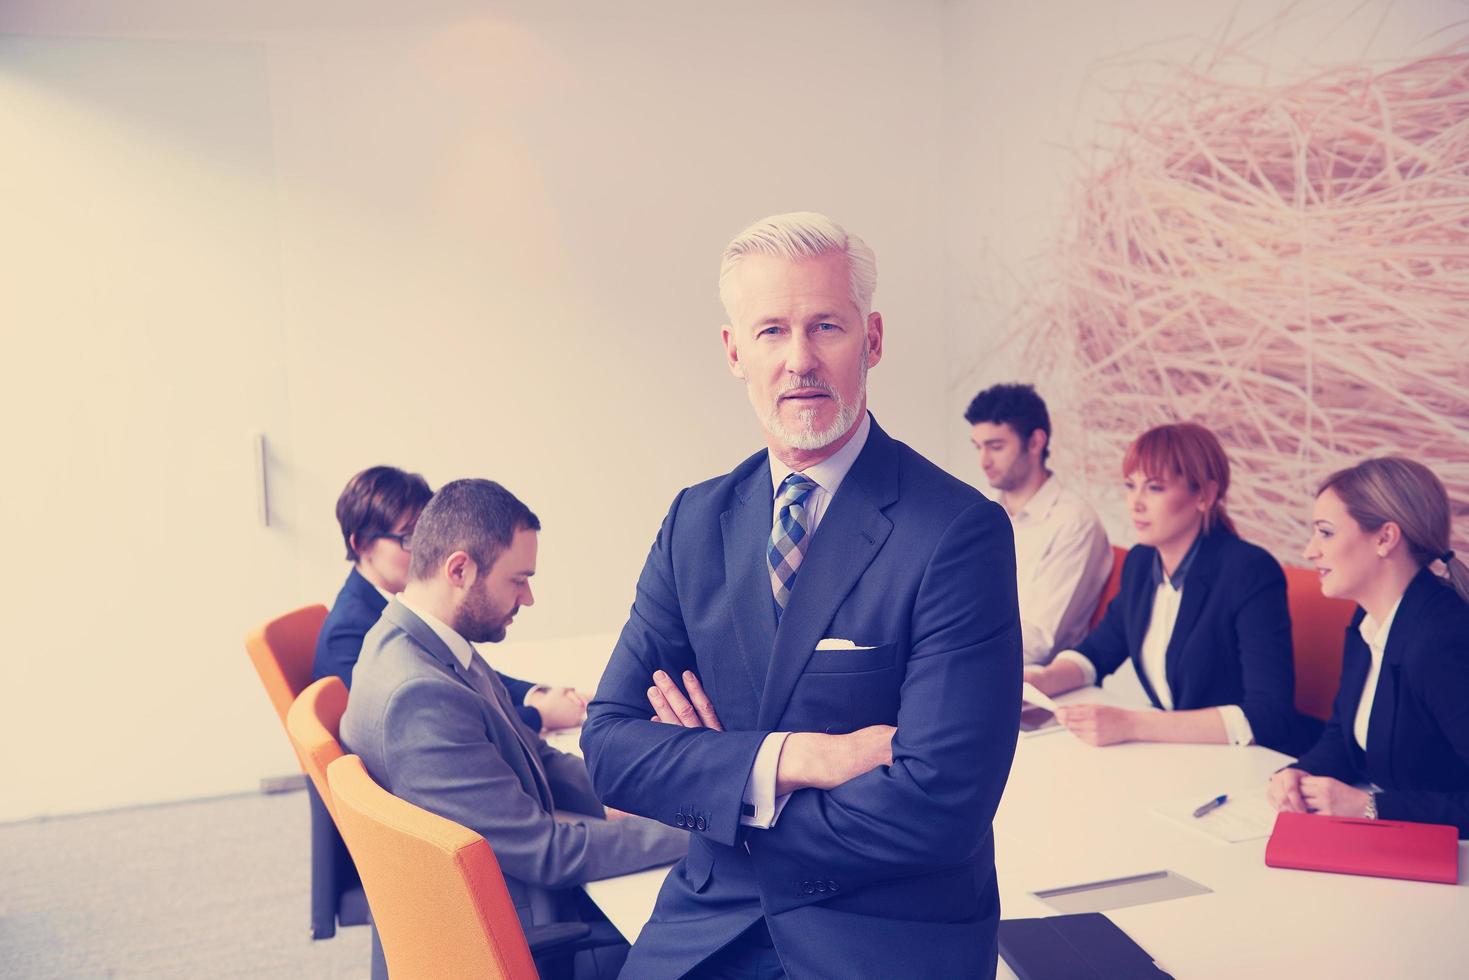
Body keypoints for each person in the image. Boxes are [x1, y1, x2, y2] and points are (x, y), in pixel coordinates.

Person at [580, 212, 1021, 979]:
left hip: (881, 932)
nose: (799, 361)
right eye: (771, 332)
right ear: (732, 352)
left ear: (872, 339)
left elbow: (940, 807)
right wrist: (796, 759)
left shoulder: (958, 532)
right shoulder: (694, 521)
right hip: (709, 920)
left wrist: (717, 778)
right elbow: (612, 749)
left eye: (826, 326)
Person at [339, 479, 688, 978]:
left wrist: (640, 791)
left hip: (504, 896)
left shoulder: (417, 640)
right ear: (459, 568)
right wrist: (693, 834)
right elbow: (548, 852)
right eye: (517, 580)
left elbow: (533, 753)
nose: (528, 598)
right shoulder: (420, 694)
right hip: (511, 931)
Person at [1025, 422, 1311, 753]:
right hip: (1181, 756)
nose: (1136, 503)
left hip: (1248, 760)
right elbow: (1098, 653)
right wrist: (1042, 681)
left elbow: (1268, 716)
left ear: (1204, 495)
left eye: (1155, 488)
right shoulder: (1141, 563)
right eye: (1130, 486)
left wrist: (1131, 724)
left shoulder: (1248, 570)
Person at [1267, 458, 1469, 835]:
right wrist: (1299, 772)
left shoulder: (1443, 639)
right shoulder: (1367, 620)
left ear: (1385, 538)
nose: (1310, 551)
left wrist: (1369, 807)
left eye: (1325, 533)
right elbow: (1344, 738)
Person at [313, 465, 586, 733]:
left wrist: (534, 695)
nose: (426, 547)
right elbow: (427, 721)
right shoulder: (349, 632)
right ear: (360, 544)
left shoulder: (403, 603)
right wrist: (539, 716)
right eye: (409, 537)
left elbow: (468, 676)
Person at [965, 382, 1112, 665]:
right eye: (978, 447)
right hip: (976, 663)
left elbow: (1039, 642)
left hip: (1031, 679)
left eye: (995, 446)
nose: (983, 461)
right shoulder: (982, 514)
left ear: (1035, 442)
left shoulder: (1074, 522)